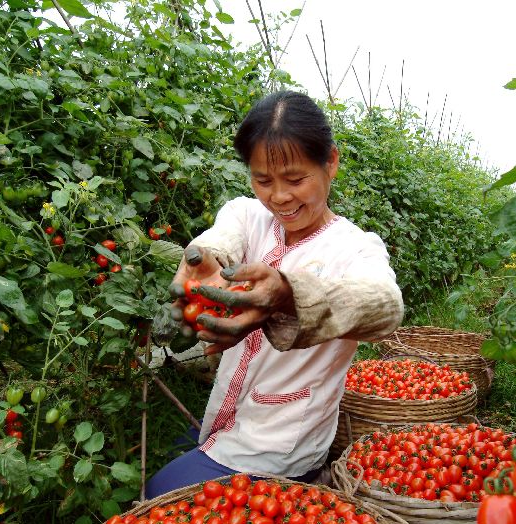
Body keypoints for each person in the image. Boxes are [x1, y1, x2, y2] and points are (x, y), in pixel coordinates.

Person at [145, 90, 404, 498]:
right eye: (263, 180)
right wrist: (205, 260)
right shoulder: (249, 216)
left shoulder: (356, 248)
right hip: (226, 420)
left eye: (296, 179)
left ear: (331, 162)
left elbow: (385, 306)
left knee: (153, 496)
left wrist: (288, 294)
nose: (279, 197)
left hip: (281, 443)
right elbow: (222, 239)